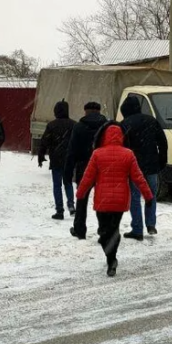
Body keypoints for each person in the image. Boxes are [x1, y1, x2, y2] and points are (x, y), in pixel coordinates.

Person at [76, 122, 155, 277]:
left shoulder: (97, 154)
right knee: (113, 229)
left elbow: (87, 177)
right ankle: (112, 258)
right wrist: (148, 195)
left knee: (104, 231)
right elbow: (138, 177)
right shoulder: (128, 154)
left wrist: (80, 193)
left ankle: (110, 258)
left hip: (102, 201)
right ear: (121, 137)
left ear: (105, 137)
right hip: (120, 201)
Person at [119, 95, 168, 240]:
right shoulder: (151, 120)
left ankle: (137, 229)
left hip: (134, 167)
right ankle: (151, 224)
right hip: (152, 165)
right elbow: (162, 142)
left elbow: (122, 147)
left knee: (134, 197)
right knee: (150, 195)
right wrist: (162, 160)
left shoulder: (124, 124)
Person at [65, 102, 108, 240]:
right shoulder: (107, 127)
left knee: (82, 199)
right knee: (102, 200)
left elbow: (72, 151)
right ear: (99, 111)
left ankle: (79, 229)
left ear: (86, 111)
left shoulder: (79, 127)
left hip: (84, 168)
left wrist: (68, 172)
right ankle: (104, 230)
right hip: (103, 168)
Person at [38, 100, 77, 220]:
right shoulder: (74, 124)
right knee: (68, 183)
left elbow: (44, 142)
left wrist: (41, 155)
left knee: (57, 185)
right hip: (69, 158)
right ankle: (71, 205)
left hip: (56, 158)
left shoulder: (51, 125)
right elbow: (77, 142)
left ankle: (59, 210)